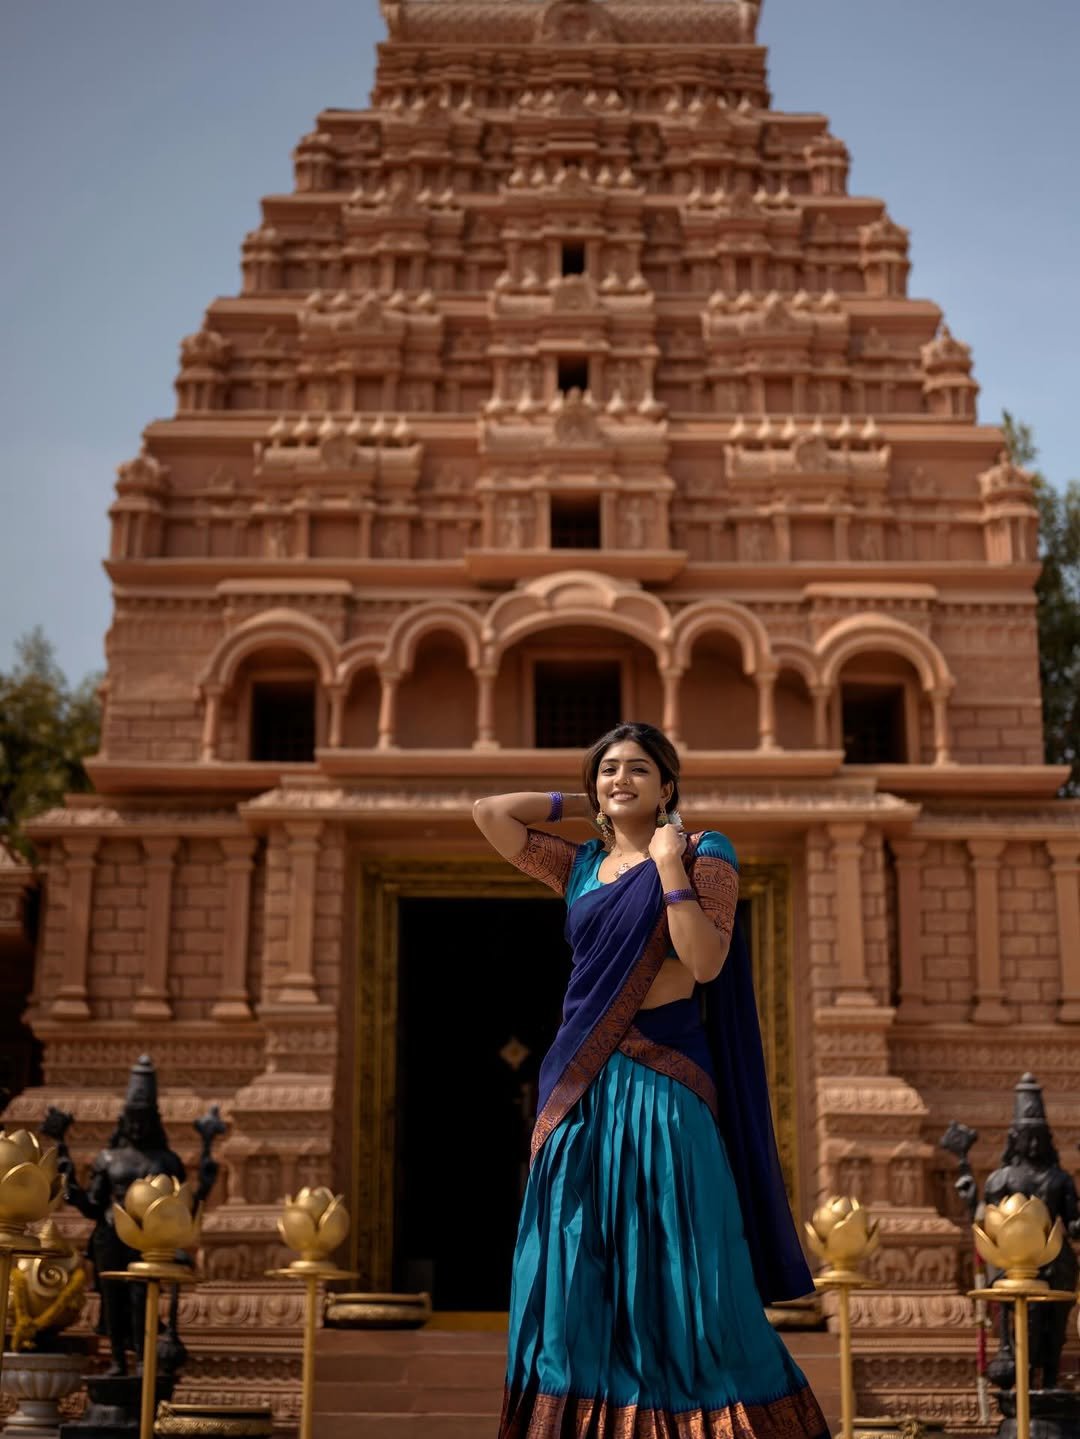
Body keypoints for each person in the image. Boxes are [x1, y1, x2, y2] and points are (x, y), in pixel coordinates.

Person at [473, 721, 828, 1438]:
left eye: (639, 768)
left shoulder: (704, 852)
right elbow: (488, 813)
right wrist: (583, 806)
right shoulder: (577, 866)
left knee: (686, 1263)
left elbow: (704, 963)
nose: (620, 778)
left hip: (667, 1089)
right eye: (608, 769)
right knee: (571, 1261)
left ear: (669, 785)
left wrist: (668, 866)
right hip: (582, 1091)